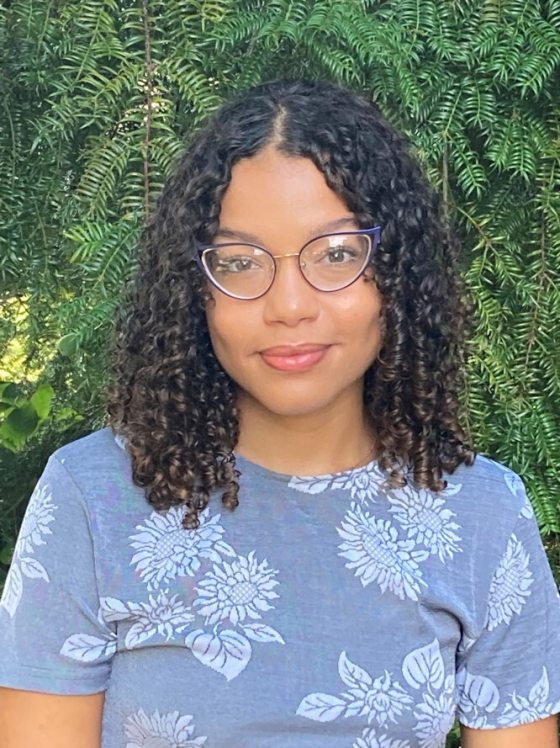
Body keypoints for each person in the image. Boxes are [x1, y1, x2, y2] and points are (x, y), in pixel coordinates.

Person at [0, 79, 559, 748]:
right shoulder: (93, 497)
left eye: (337, 255)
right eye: (239, 262)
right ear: (194, 289)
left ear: (397, 274)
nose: (288, 304)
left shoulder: (483, 513)